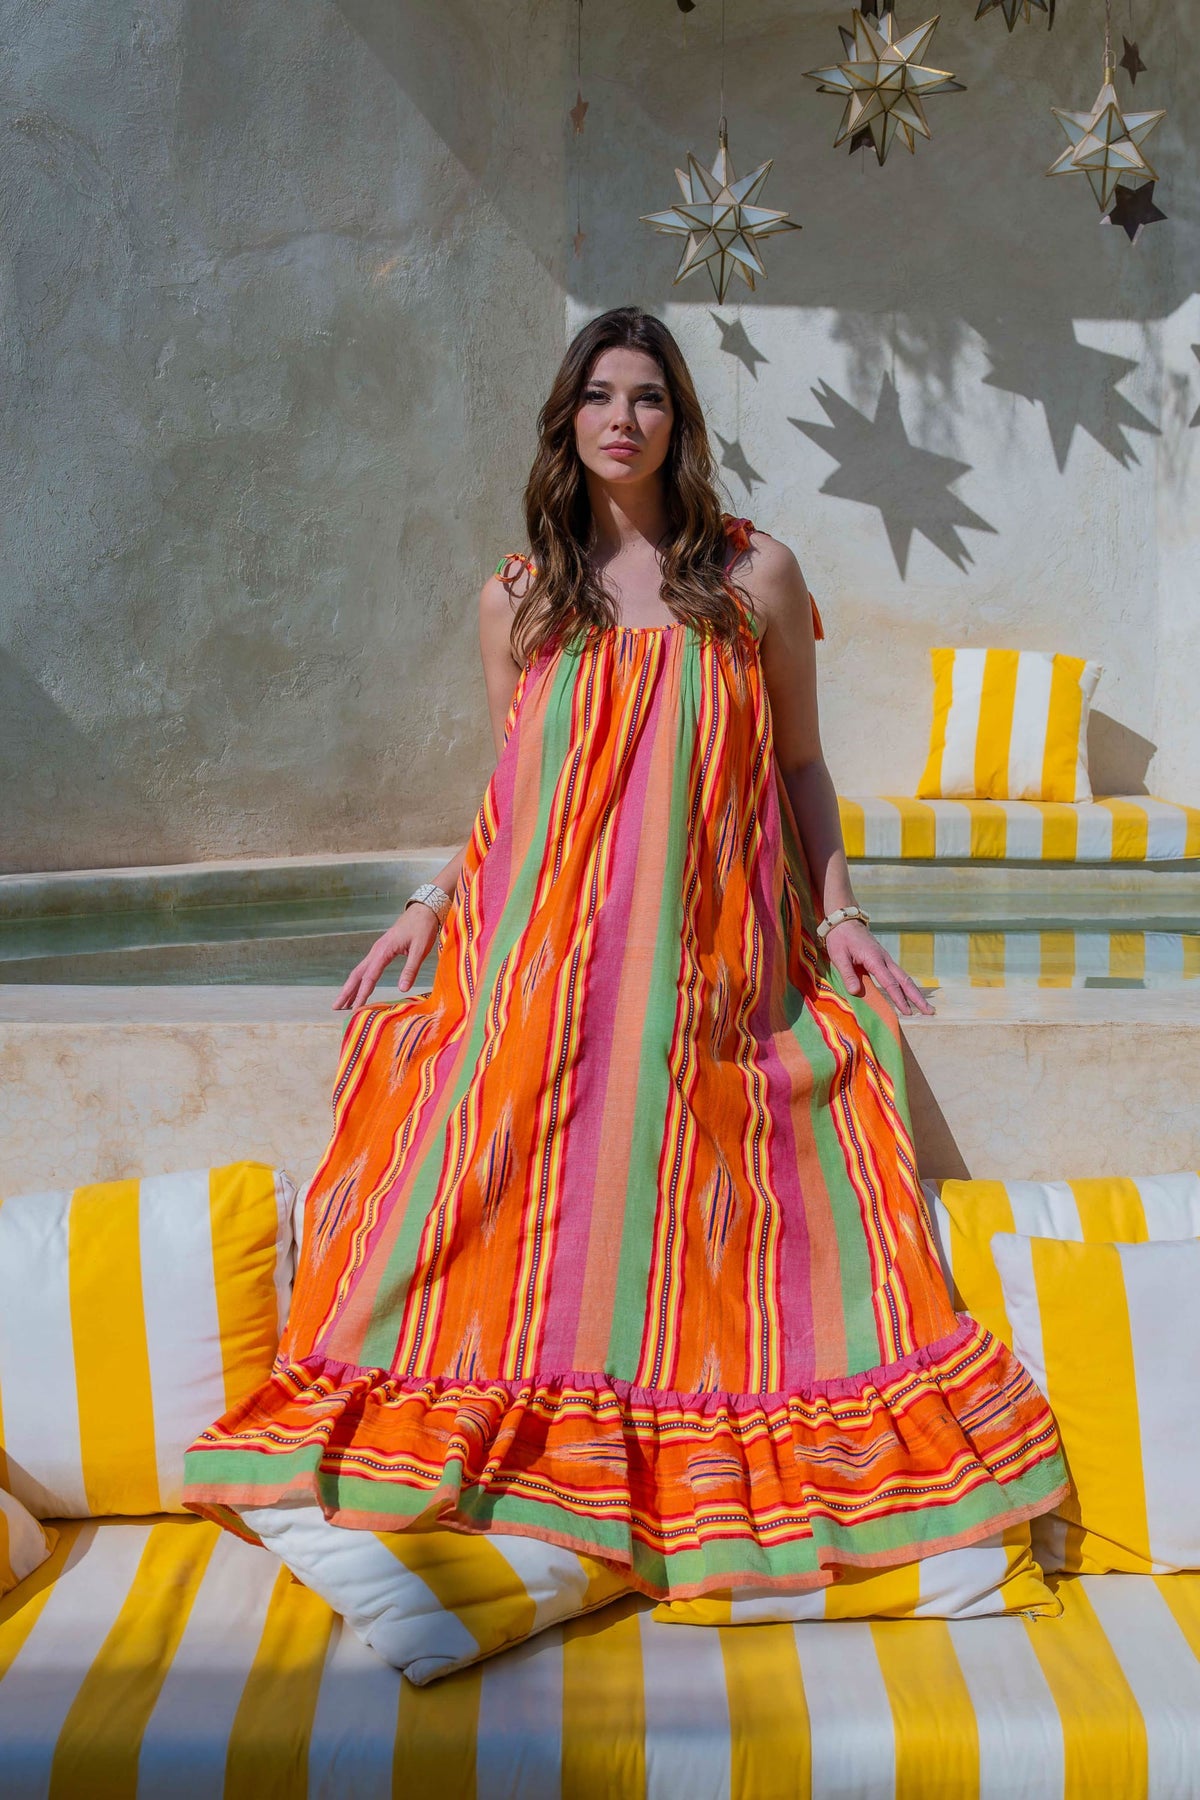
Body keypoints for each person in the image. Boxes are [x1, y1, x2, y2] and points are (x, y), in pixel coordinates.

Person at [182, 306, 1066, 1601]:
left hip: (707, 950)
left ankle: (678, 1425)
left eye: (648, 396)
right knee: (491, 1123)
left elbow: (802, 768)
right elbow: (519, 786)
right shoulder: (519, 597)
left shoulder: (756, 576)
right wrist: (436, 897)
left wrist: (840, 918)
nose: (622, 419)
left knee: (691, 1110)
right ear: (567, 420)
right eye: (599, 396)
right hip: (544, 940)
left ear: (679, 421)